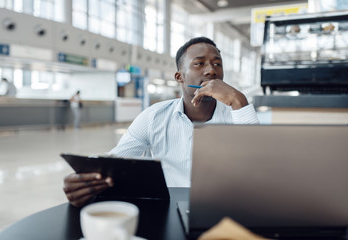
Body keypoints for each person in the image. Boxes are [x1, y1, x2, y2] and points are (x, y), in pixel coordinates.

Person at [63, 37, 259, 207]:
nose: (211, 71)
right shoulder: (153, 117)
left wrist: (238, 100)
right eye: (199, 63)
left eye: (217, 64)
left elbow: (260, 167)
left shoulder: (237, 113)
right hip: (168, 209)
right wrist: (86, 180)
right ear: (179, 77)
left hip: (224, 208)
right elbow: (115, 161)